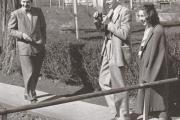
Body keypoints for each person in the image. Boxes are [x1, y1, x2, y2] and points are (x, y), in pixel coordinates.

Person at [93, 0, 132, 120]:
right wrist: (97, 22)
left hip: (117, 50)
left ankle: (124, 116)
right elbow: (103, 30)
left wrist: (109, 23)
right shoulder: (109, 12)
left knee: (119, 84)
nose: (107, 1)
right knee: (103, 81)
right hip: (107, 49)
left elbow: (125, 34)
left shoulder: (125, 11)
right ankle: (116, 112)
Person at [8, 0, 46, 103]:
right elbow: (11, 30)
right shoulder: (16, 14)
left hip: (38, 46)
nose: (25, 4)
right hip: (25, 47)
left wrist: (43, 41)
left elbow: (43, 28)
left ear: (31, 2)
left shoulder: (38, 11)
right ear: (21, 2)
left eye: (28, 2)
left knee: (36, 72)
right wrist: (22, 35)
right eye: (23, 1)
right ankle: (31, 95)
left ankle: (28, 91)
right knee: (29, 71)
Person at [135, 3, 169, 120]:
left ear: (150, 15)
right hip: (146, 67)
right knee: (150, 98)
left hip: (155, 71)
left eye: (143, 15)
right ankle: (146, 116)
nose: (140, 19)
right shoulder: (149, 28)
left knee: (158, 101)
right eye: (139, 16)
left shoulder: (157, 30)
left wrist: (149, 74)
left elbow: (157, 54)